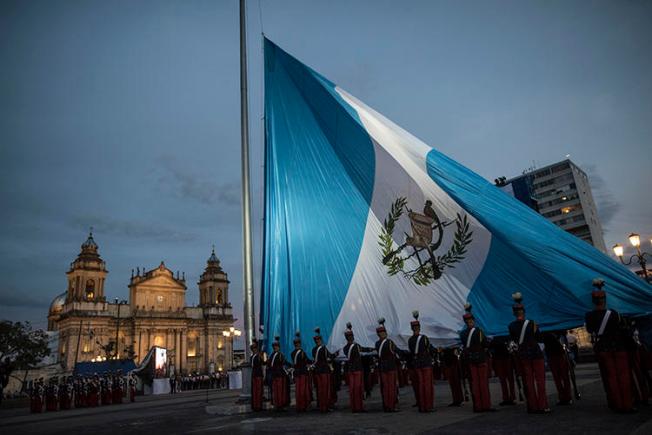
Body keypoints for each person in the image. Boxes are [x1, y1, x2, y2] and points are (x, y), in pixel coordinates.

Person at [585, 278, 635, 413]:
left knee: (611, 377)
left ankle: (617, 404)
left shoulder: (589, 316)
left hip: (603, 348)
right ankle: (628, 404)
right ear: (605, 299)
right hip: (619, 347)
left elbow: (590, 330)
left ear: (593, 301)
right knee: (624, 376)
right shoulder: (615, 313)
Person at [509, 292, 550, 414]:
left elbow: (514, 341)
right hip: (536, 354)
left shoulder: (511, 326)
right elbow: (540, 339)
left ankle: (532, 406)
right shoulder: (532, 323)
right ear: (524, 311)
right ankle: (543, 405)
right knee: (540, 381)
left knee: (528, 381)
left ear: (514, 313)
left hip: (523, 355)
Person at [460, 304, 493, 412]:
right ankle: (486, 405)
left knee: (474, 383)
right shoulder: (479, 331)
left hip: (470, 360)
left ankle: (477, 406)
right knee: (483, 383)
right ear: (473, 320)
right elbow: (484, 344)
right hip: (480, 359)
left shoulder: (463, 334)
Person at [408, 311, 434, 412]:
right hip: (426, 363)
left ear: (412, 329)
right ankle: (428, 406)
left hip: (417, 364)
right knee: (427, 385)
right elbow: (430, 349)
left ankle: (422, 406)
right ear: (419, 328)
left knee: (420, 385)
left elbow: (411, 351)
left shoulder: (410, 340)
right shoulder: (424, 338)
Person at [342, 322, 372, 413]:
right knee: (358, 389)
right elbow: (365, 350)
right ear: (352, 337)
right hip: (358, 369)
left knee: (352, 389)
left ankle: (354, 407)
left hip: (350, 369)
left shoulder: (345, 348)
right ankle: (359, 407)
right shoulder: (357, 346)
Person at [375, 318, 399, 412]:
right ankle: (392, 406)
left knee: (385, 388)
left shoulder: (377, 343)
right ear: (384, 332)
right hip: (391, 367)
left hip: (382, 367)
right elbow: (396, 352)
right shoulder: (389, 342)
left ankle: (386, 405)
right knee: (391, 387)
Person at [542, 331, 573, 405]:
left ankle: (565, 397)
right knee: (562, 377)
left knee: (560, 378)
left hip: (556, 354)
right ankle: (565, 397)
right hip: (556, 354)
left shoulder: (545, 330)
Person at [312, 327, 338, 412]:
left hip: (317, 371)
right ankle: (326, 406)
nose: (318, 341)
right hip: (324, 371)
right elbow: (329, 358)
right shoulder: (324, 348)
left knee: (319, 389)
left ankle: (321, 405)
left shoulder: (314, 349)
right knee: (326, 389)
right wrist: (336, 354)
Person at [489, 336, 517, 406]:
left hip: (502, 357)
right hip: (503, 357)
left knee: (505, 379)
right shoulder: (504, 334)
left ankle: (508, 398)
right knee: (506, 379)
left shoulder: (495, 336)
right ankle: (509, 397)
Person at [290, 331, 312, 412]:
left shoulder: (292, 353)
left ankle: (299, 405)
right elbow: (307, 361)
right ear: (299, 344)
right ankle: (303, 406)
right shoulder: (302, 353)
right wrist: (314, 361)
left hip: (296, 373)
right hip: (303, 373)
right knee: (302, 390)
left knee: (298, 390)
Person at [267, 336, 289, 411]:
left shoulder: (279, 355)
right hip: (276, 375)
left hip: (278, 374)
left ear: (278, 347)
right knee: (276, 390)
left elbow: (285, 362)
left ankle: (280, 404)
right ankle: (277, 404)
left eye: (276, 347)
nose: (275, 348)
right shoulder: (274, 355)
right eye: (274, 347)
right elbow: (269, 364)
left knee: (279, 390)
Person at [250, 338, 265, 411]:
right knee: (256, 391)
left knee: (257, 391)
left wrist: (261, 354)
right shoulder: (253, 357)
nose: (254, 350)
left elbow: (264, 362)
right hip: (256, 374)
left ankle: (257, 405)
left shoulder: (255, 356)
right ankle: (256, 405)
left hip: (256, 374)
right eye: (253, 349)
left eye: (255, 348)